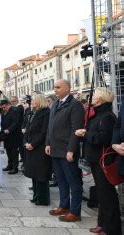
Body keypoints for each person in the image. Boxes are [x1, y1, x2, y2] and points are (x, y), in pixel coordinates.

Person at [77, 87, 121, 235]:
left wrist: (86, 133)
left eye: (94, 95)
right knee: (102, 195)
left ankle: (112, 228)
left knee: (107, 195)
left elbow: (102, 138)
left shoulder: (107, 116)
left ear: (100, 99)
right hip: (95, 160)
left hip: (103, 160)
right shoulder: (98, 114)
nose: (92, 97)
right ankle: (102, 224)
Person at [45, 79, 84, 222]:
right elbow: (50, 126)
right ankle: (64, 205)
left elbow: (76, 129)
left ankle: (75, 211)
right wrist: (48, 143)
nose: (55, 90)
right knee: (61, 180)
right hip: (55, 149)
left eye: (58, 87)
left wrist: (71, 150)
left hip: (67, 150)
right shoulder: (56, 104)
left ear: (67, 88)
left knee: (73, 182)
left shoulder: (75, 105)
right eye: (54, 87)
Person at [24, 94, 51, 206]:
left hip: (39, 147)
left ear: (40, 101)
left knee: (41, 174)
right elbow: (28, 128)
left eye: (34, 100)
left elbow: (44, 132)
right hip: (30, 145)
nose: (32, 101)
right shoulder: (33, 112)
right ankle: (36, 195)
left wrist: (33, 144)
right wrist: (26, 142)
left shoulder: (46, 113)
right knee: (34, 173)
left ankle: (43, 198)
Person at [0, 99, 21, 174]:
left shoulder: (14, 111)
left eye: (4, 107)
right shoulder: (3, 111)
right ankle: (10, 165)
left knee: (14, 152)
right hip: (6, 135)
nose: (3, 108)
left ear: (8, 105)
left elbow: (16, 122)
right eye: (2, 107)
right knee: (8, 151)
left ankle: (15, 168)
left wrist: (9, 129)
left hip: (13, 135)